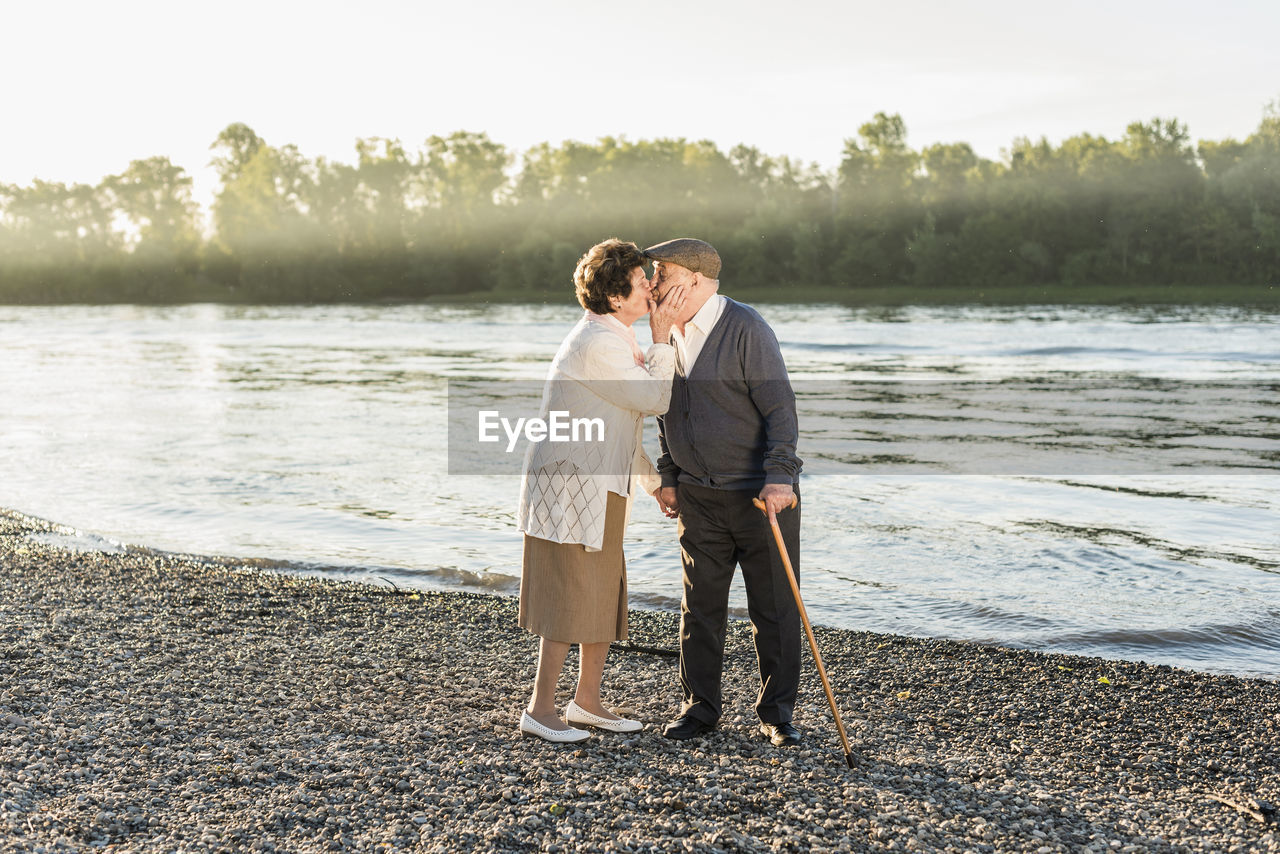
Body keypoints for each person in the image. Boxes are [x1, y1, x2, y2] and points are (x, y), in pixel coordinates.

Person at [515, 237, 689, 743]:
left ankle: (585, 702)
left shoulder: (613, 337)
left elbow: (615, 428)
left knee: (599, 589)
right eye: (643, 282)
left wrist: (656, 485)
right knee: (569, 592)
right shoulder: (598, 344)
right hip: (571, 490)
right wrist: (662, 336)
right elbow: (656, 399)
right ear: (616, 297)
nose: (653, 288)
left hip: (598, 484)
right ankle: (540, 709)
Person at [646, 237, 805, 748]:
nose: (653, 284)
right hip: (698, 498)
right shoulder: (664, 335)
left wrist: (780, 475)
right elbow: (662, 410)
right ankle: (700, 709)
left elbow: (781, 409)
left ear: (693, 279)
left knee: (774, 609)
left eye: (661, 274)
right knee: (700, 608)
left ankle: (777, 715)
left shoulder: (746, 328)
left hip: (759, 498)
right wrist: (669, 474)